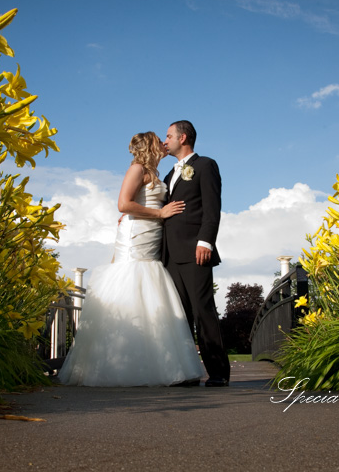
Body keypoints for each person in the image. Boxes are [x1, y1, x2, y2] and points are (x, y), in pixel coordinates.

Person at [58, 132, 204, 387]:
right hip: (135, 235)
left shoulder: (159, 174)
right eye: (159, 139)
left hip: (152, 236)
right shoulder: (137, 169)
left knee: (150, 293)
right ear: (149, 145)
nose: (163, 143)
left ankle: (156, 365)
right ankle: (118, 363)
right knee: (132, 284)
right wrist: (159, 213)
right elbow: (123, 204)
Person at [162, 120, 230, 387]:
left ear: (183, 137)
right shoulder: (169, 175)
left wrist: (206, 242)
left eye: (168, 136)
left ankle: (218, 373)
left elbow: (212, 209)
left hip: (195, 250)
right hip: (169, 254)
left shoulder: (205, 165)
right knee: (179, 316)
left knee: (203, 311)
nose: (164, 141)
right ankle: (188, 372)